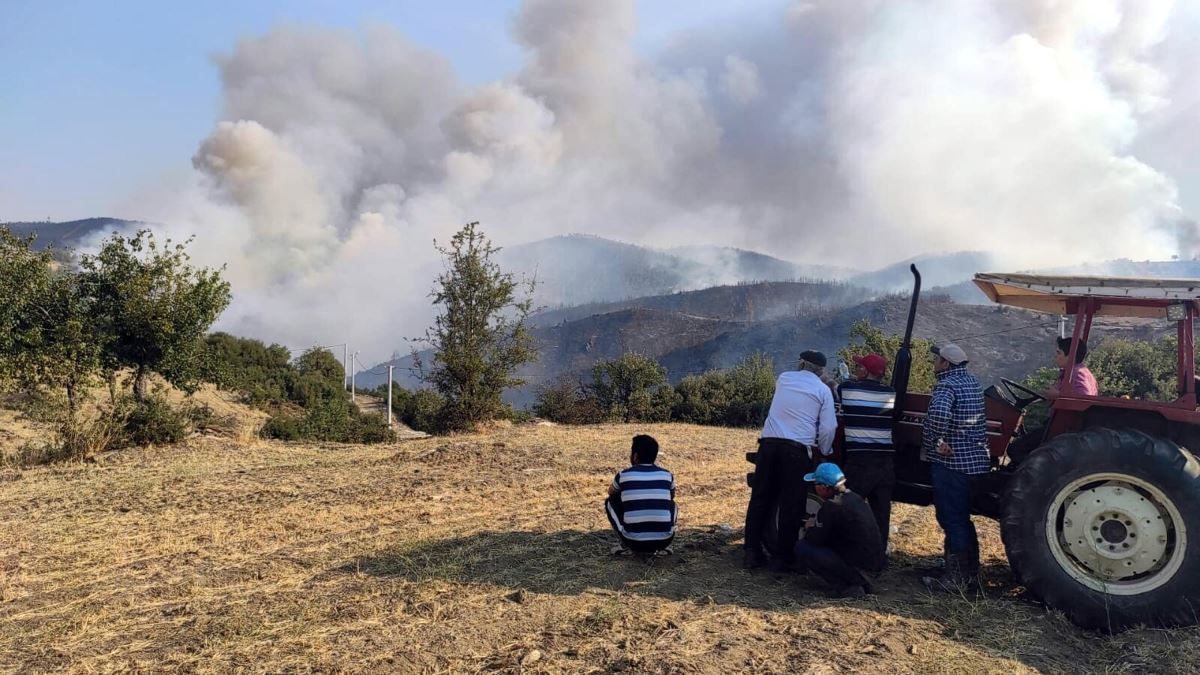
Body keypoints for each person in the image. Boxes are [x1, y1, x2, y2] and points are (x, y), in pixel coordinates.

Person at [743, 350, 838, 570]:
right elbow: (828, 427)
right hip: (796, 450)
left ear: (802, 363)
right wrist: (824, 449)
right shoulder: (822, 390)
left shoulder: (784, 379)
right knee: (791, 503)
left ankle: (751, 552)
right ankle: (782, 558)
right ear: (821, 370)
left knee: (760, 498)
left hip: (768, 444)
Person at [921, 343, 988, 592]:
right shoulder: (973, 384)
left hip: (952, 464)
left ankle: (955, 579)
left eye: (936, 359)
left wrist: (935, 442)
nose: (934, 363)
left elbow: (938, 415)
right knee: (962, 519)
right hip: (975, 463)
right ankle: (969, 572)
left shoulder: (947, 386)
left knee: (951, 518)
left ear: (946, 364)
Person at [793, 462, 885, 598]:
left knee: (802, 547)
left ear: (824, 488)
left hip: (859, 568)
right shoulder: (855, 498)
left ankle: (847, 585)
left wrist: (811, 526)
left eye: (816, 484)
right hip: (874, 565)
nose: (815, 488)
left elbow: (814, 540)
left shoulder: (831, 507)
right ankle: (860, 581)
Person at [836, 353, 896, 555]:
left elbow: (834, 386)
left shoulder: (849, 389)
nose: (856, 369)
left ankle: (846, 554)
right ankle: (877, 558)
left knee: (846, 505)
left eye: (859, 367)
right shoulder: (890, 392)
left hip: (860, 460)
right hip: (885, 461)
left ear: (865, 371)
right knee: (881, 512)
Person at [1006, 337, 1097, 464]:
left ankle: (1030, 477)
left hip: (1064, 427)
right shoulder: (1074, 372)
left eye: (1058, 353)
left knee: (1015, 449)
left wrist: (1058, 395)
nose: (1055, 356)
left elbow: (1085, 399)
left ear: (1070, 356)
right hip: (1060, 423)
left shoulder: (1078, 373)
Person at [606, 434, 677, 556]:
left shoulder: (623, 475)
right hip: (664, 541)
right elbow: (671, 495)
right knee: (672, 504)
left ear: (635, 456)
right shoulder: (667, 475)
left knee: (610, 501)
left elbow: (611, 492)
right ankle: (665, 536)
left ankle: (624, 543)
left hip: (633, 542)